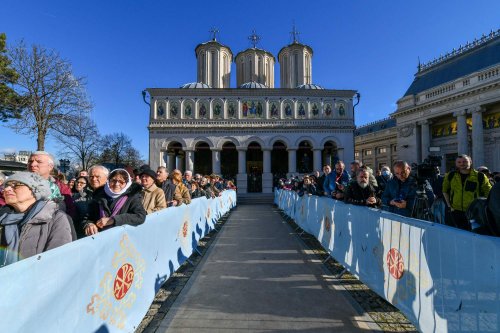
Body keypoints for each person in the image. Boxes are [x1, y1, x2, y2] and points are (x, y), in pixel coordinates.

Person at [0, 172, 73, 267]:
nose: (7, 189)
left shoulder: (55, 218)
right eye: (5, 186)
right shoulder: (3, 218)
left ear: (35, 190)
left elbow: (58, 261)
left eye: (16, 185)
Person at [83, 169, 146, 236]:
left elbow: (140, 216)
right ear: (108, 181)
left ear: (127, 183)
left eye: (121, 182)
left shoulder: (132, 196)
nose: (116, 184)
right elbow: (87, 218)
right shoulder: (98, 196)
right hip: (100, 238)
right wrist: (89, 224)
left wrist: (113, 220)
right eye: (113, 180)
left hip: (123, 238)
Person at [443, 154, 492, 230]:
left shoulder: (480, 176)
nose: (462, 164)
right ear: (456, 163)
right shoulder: (450, 175)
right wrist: (449, 206)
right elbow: (445, 190)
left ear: (470, 162)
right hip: (455, 211)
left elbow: (489, 192)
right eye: (459, 162)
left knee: (472, 234)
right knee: (454, 233)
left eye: (465, 161)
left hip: (473, 212)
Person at [27, 151, 76, 218]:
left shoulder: (62, 188)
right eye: (30, 161)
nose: (32, 164)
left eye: (39, 162)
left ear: (50, 167)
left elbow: (70, 212)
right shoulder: (15, 185)